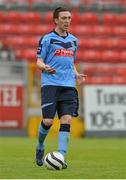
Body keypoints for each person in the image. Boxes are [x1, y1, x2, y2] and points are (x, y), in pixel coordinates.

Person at [35, 7, 86, 169]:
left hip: (68, 86)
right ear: (56, 20)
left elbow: (71, 63)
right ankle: (40, 146)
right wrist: (45, 67)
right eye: (64, 18)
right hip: (50, 84)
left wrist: (76, 74)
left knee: (67, 120)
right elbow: (38, 61)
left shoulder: (74, 41)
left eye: (69, 18)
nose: (67, 21)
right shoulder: (47, 39)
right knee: (48, 121)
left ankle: (61, 156)